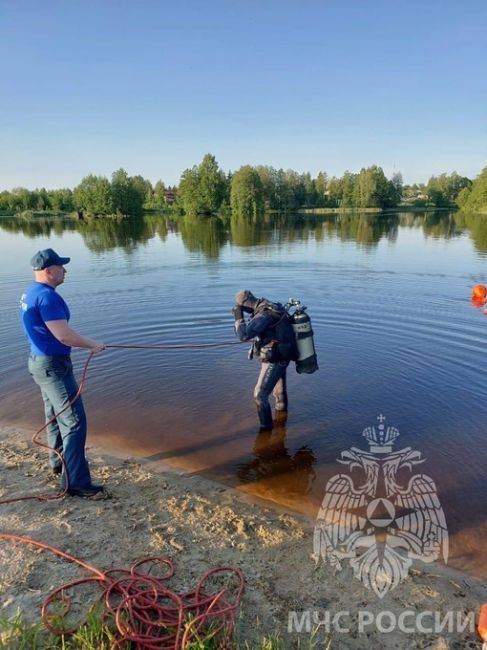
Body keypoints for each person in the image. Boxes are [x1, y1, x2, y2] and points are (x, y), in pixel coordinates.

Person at [19, 248, 106, 498]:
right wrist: (93, 344)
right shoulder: (47, 297)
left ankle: (58, 462)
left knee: (55, 415)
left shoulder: (30, 292)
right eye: (61, 267)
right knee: (74, 421)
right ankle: (76, 482)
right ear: (48, 271)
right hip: (52, 366)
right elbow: (64, 335)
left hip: (39, 362)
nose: (65, 270)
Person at [232, 289, 295, 430]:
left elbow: (243, 336)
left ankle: (265, 432)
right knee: (278, 392)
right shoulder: (269, 305)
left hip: (275, 359)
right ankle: (282, 421)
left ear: (245, 303)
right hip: (282, 355)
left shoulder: (263, 315)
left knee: (259, 396)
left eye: (242, 307)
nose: (243, 310)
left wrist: (237, 315)